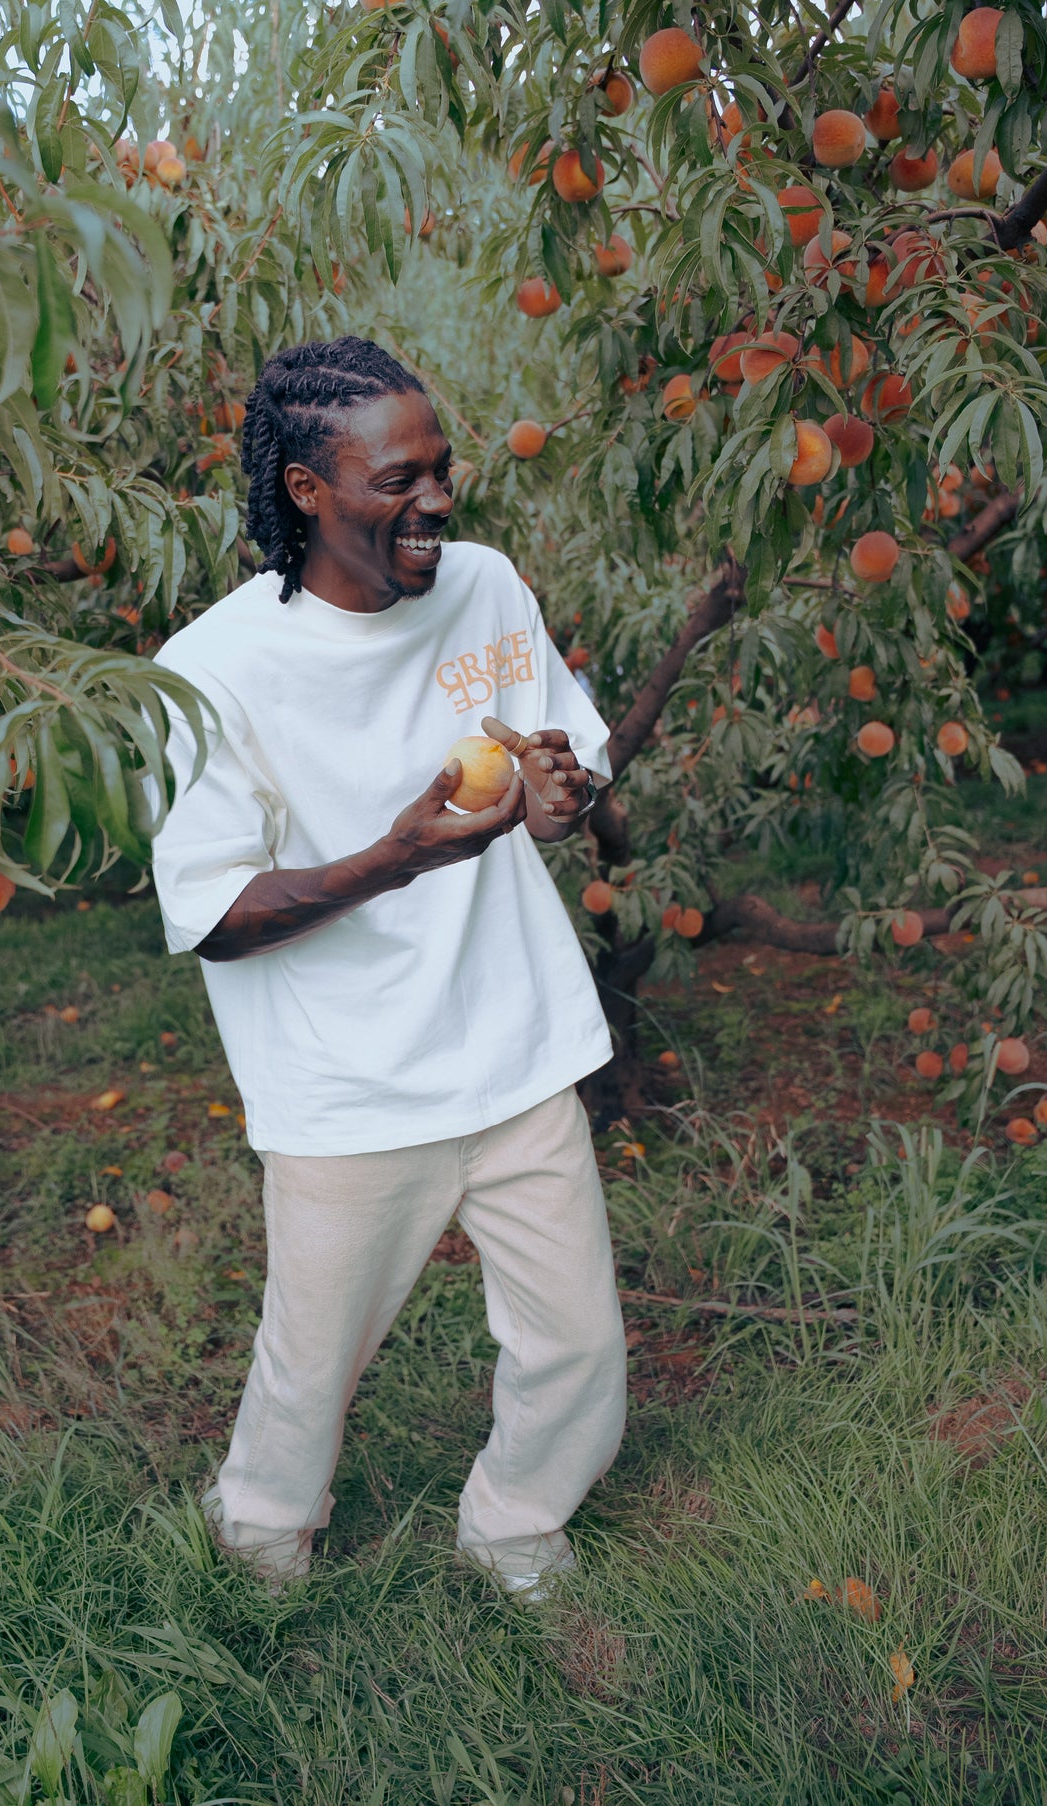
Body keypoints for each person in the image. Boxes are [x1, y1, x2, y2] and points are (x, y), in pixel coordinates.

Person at [149, 336, 627, 1601]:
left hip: (515, 1044)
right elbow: (214, 915)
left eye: (442, 469)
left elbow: (559, 755)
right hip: (346, 1084)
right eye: (397, 479)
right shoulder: (212, 670)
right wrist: (392, 859)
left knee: (574, 1344)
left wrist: (556, 798)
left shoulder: (480, 587)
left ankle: (515, 1528)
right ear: (307, 490)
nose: (437, 500)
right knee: (312, 1364)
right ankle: (255, 1556)